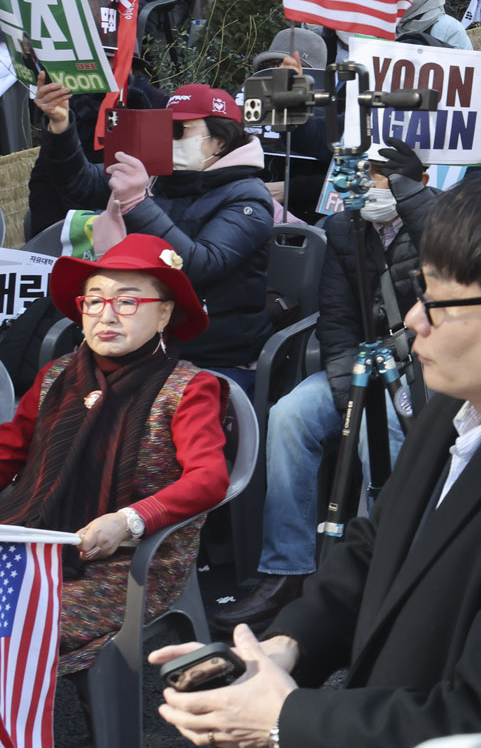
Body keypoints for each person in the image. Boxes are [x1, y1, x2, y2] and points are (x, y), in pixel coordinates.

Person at [152, 175, 481, 748]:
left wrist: (284, 719)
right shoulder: (467, 399)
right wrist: (286, 647)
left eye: (437, 301)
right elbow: (377, 542)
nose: (414, 318)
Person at [225, 141, 434, 630]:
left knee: (379, 428)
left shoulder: (441, 221)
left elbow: (452, 271)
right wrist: (349, 392)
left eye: (385, 179)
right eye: (367, 178)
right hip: (358, 364)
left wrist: (411, 200)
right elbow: (337, 320)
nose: (373, 189)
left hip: (429, 365)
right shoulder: (344, 228)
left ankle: (394, 567)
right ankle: (287, 569)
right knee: (289, 416)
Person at [0, 234, 227, 675]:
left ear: (164, 313)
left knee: (11, 626)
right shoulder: (58, 375)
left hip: (129, 565)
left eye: (127, 302)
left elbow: (209, 478)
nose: (106, 314)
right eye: (94, 301)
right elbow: (10, 450)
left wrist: (127, 520)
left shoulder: (188, 388)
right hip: (30, 543)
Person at [32, 81, 274, 379]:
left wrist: (137, 203)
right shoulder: (152, 175)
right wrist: (60, 125)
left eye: (179, 131)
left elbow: (201, 265)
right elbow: (77, 183)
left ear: (221, 141)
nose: (168, 139)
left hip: (211, 353)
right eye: (163, 129)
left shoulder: (248, 196)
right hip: (141, 344)